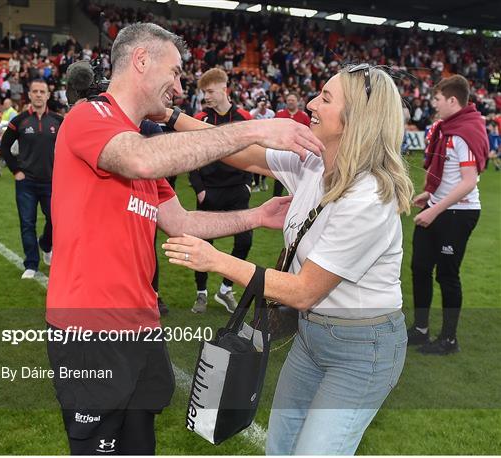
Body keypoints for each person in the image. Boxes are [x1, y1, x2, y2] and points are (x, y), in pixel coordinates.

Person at [46, 22, 321, 456]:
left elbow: (182, 222)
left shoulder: (140, 142)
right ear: (141, 61)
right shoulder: (91, 117)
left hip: (141, 327)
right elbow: (137, 160)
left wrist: (258, 215)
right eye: (174, 72)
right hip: (90, 333)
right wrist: (253, 129)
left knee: (140, 445)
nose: (178, 85)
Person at [163, 64, 414, 455]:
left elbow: (303, 291)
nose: (311, 103)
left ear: (355, 119)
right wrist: (170, 116)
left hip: (362, 350)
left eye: (326, 99)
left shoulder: (369, 197)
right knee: (279, 448)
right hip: (311, 338)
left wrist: (216, 260)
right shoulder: (317, 161)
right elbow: (243, 153)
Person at [408, 75, 489, 355]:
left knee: (446, 274)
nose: (434, 104)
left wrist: (434, 211)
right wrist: (430, 195)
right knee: (419, 268)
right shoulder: (447, 129)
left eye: (438, 99)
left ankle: (449, 339)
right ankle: (420, 329)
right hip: (440, 207)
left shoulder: (462, 133)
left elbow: (468, 181)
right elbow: (449, 174)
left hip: (458, 214)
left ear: (452, 100)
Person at [188, 68, 255, 314]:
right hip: (209, 191)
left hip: (237, 190)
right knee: (202, 244)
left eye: (210, 91)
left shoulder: (243, 116)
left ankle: (225, 289)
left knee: (245, 241)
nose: (206, 96)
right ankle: (201, 294)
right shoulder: (200, 118)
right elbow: (191, 155)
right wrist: (199, 188)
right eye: (204, 92)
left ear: (224, 89)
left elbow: (252, 150)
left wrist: (247, 183)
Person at [0, 79, 63, 279]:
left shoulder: (58, 120)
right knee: (27, 223)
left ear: (47, 95)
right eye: (34, 91)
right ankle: (31, 264)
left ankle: (45, 243)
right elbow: (5, 148)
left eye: (41, 91)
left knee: (55, 220)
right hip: (26, 182)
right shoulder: (18, 121)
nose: (38, 94)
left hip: (51, 182)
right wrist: (15, 170)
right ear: (29, 95)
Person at [273, 92, 311, 196]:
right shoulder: (280, 114)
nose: (290, 102)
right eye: (288, 100)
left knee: (298, 176)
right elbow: (273, 130)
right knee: (280, 176)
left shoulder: (304, 116)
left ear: (298, 102)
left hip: (298, 151)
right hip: (282, 150)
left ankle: (298, 198)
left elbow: (309, 132)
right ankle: (276, 198)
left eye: (293, 100)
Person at [250, 95, 275, 192]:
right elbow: (249, 119)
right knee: (256, 161)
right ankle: (256, 184)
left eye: (264, 103)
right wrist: (258, 109)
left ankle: (263, 181)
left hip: (267, 139)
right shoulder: (253, 112)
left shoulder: (271, 113)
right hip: (255, 139)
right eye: (261, 102)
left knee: (265, 161)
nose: (263, 105)